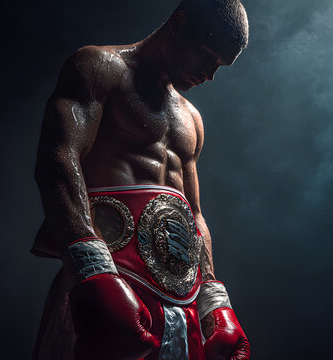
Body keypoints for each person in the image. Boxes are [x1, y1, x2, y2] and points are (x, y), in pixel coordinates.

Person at [31, 1, 250, 359]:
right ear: (178, 25)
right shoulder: (100, 68)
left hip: (183, 301)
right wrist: (91, 269)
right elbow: (58, 158)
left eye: (220, 66)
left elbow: (193, 213)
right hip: (109, 281)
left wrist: (214, 298)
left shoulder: (191, 119)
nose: (210, 74)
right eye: (207, 56)